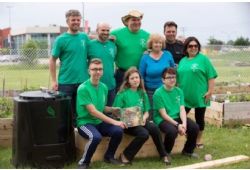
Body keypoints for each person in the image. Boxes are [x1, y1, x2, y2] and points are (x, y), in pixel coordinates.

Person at [113, 67, 170, 165]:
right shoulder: (122, 93)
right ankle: (125, 155)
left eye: (137, 77)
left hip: (140, 121)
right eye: (132, 78)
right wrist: (126, 118)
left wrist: (143, 118)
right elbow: (116, 112)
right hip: (128, 124)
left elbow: (147, 111)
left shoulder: (142, 93)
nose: (135, 80)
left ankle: (164, 154)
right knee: (144, 134)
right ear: (128, 81)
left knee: (154, 128)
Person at [76, 58, 126, 169]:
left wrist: (113, 110)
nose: (97, 72)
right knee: (95, 137)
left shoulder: (104, 87)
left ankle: (109, 156)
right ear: (89, 71)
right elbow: (93, 111)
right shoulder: (83, 88)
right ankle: (84, 163)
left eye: (100, 69)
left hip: (99, 122)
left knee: (118, 131)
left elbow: (100, 108)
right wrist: (114, 121)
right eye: (94, 69)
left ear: (103, 71)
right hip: (85, 123)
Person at [49, 9, 89, 126]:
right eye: (73, 20)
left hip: (83, 82)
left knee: (81, 113)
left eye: (78, 20)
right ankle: (65, 141)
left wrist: (110, 38)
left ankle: (79, 141)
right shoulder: (61, 39)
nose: (76, 22)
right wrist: (53, 80)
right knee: (65, 114)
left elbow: (95, 42)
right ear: (67, 21)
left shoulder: (84, 37)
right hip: (66, 83)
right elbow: (52, 60)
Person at [177, 36, 218, 149]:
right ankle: (188, 137)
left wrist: (210, 91)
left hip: (200, 95)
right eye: (190, 46)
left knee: (200, 118)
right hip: (184, 95)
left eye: (196, 46)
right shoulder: (182, 60)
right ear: (186, 48)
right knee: (180, 117)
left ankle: (198, 140)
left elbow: (211, 76)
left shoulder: (203, 59)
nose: (193, 48)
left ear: (198, 47)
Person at [153, 67, 199, 161]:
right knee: (172, 131)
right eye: (169, 77)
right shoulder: (158, 93)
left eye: (173, 77)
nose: (172, 79)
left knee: (194, 127)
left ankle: (187, 151)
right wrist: (178, 125)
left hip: (177, 117)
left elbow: (182, 109)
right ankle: (165, 154)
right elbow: (163, 114)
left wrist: (184, 125)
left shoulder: (179, 91)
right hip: (163, 119)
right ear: (163, 80)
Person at [111, 10, 150, 90]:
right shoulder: (117, 33)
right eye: (133, 20)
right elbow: (103, 37)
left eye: (138, 20)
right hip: (122, 74)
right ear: (127, 21)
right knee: (121, 98)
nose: (136, 22)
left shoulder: (147, 35)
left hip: (139, 74)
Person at [139, 33, 175, 120]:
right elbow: (141, 75)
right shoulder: (145, 57)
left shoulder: (167, 55)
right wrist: (143, 90)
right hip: (150, 91)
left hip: (165, 90)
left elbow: (173, 72)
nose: (158, 44)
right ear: (151, 44)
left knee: (166, 114)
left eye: (160, 42)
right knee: (151, 115)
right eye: (155, 42)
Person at [88, 22, 117, 112]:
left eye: (107, 30)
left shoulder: (113, 45)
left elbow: (112, 61)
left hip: (110, 86)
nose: (105, 32)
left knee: (109, 113)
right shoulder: (90, 45)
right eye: (103, 30)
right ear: (97, 31)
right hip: (95, 85)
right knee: (96, 112)